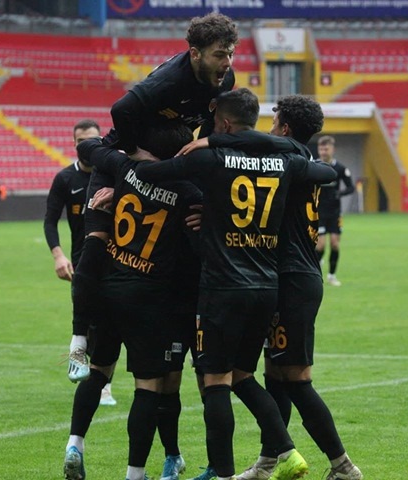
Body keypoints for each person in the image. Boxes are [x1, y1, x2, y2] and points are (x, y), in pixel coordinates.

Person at [135, 88, 337, 480]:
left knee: (217, 382)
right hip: (268, 285)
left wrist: (133, 159)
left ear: (224, 124)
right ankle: (281, 454)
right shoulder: (285, 160)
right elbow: (326, 173)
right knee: (250, 376)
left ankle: (229, 473)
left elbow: (149, 175)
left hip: (225, 287)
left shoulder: (210, 158)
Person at [87, 12, 239, 480]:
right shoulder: (164, 85)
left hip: (172, 165)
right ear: (194, 54)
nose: (227, 62)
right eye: (220, 54)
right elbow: (118, 114)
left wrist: (200, 150)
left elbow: (213, 123)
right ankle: (81, 336)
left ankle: (191, 462)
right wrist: (135, 159)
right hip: (136, 154)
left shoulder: (223, 80)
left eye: (231, 53)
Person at [199, 96, 362, 480]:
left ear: (285, 129)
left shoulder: (286, 161)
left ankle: (343, 466)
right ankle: (270, 460)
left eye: (274, 123)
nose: (268, 129)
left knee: (297, 379)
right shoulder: (304, 161)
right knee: (275, 376)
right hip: (297, 276)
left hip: (290, 280)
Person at [64, 122, 203, 480]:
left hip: (109, 290)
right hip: (148, 299)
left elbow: (89, 148)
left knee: (100, 371)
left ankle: (75, 443)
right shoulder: (187, 191)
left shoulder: (127, 171)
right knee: (148, 387)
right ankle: (135, 473)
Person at [43, 119, 117, 406]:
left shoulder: (111, 174)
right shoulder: (65, 179)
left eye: (92, 140)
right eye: (81, 141)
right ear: (74, 144)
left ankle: (104, 384)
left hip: (114, 260)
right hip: (80, 263)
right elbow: (50, 221)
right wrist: (58, 255)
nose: (86, 145)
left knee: (108, 322)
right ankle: (85, 365)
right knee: (90, 319)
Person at [315, 135, 355, 287]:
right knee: (320, 245)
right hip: (318, 212)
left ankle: (332, 276)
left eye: (326, 149)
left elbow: (350, 187)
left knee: (335, 244)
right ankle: (316, 272)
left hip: (335, 212)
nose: (323, 152)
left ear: (332, 149)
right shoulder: (314, 166)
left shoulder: (340, 168)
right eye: (321, 149)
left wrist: (339, 194)